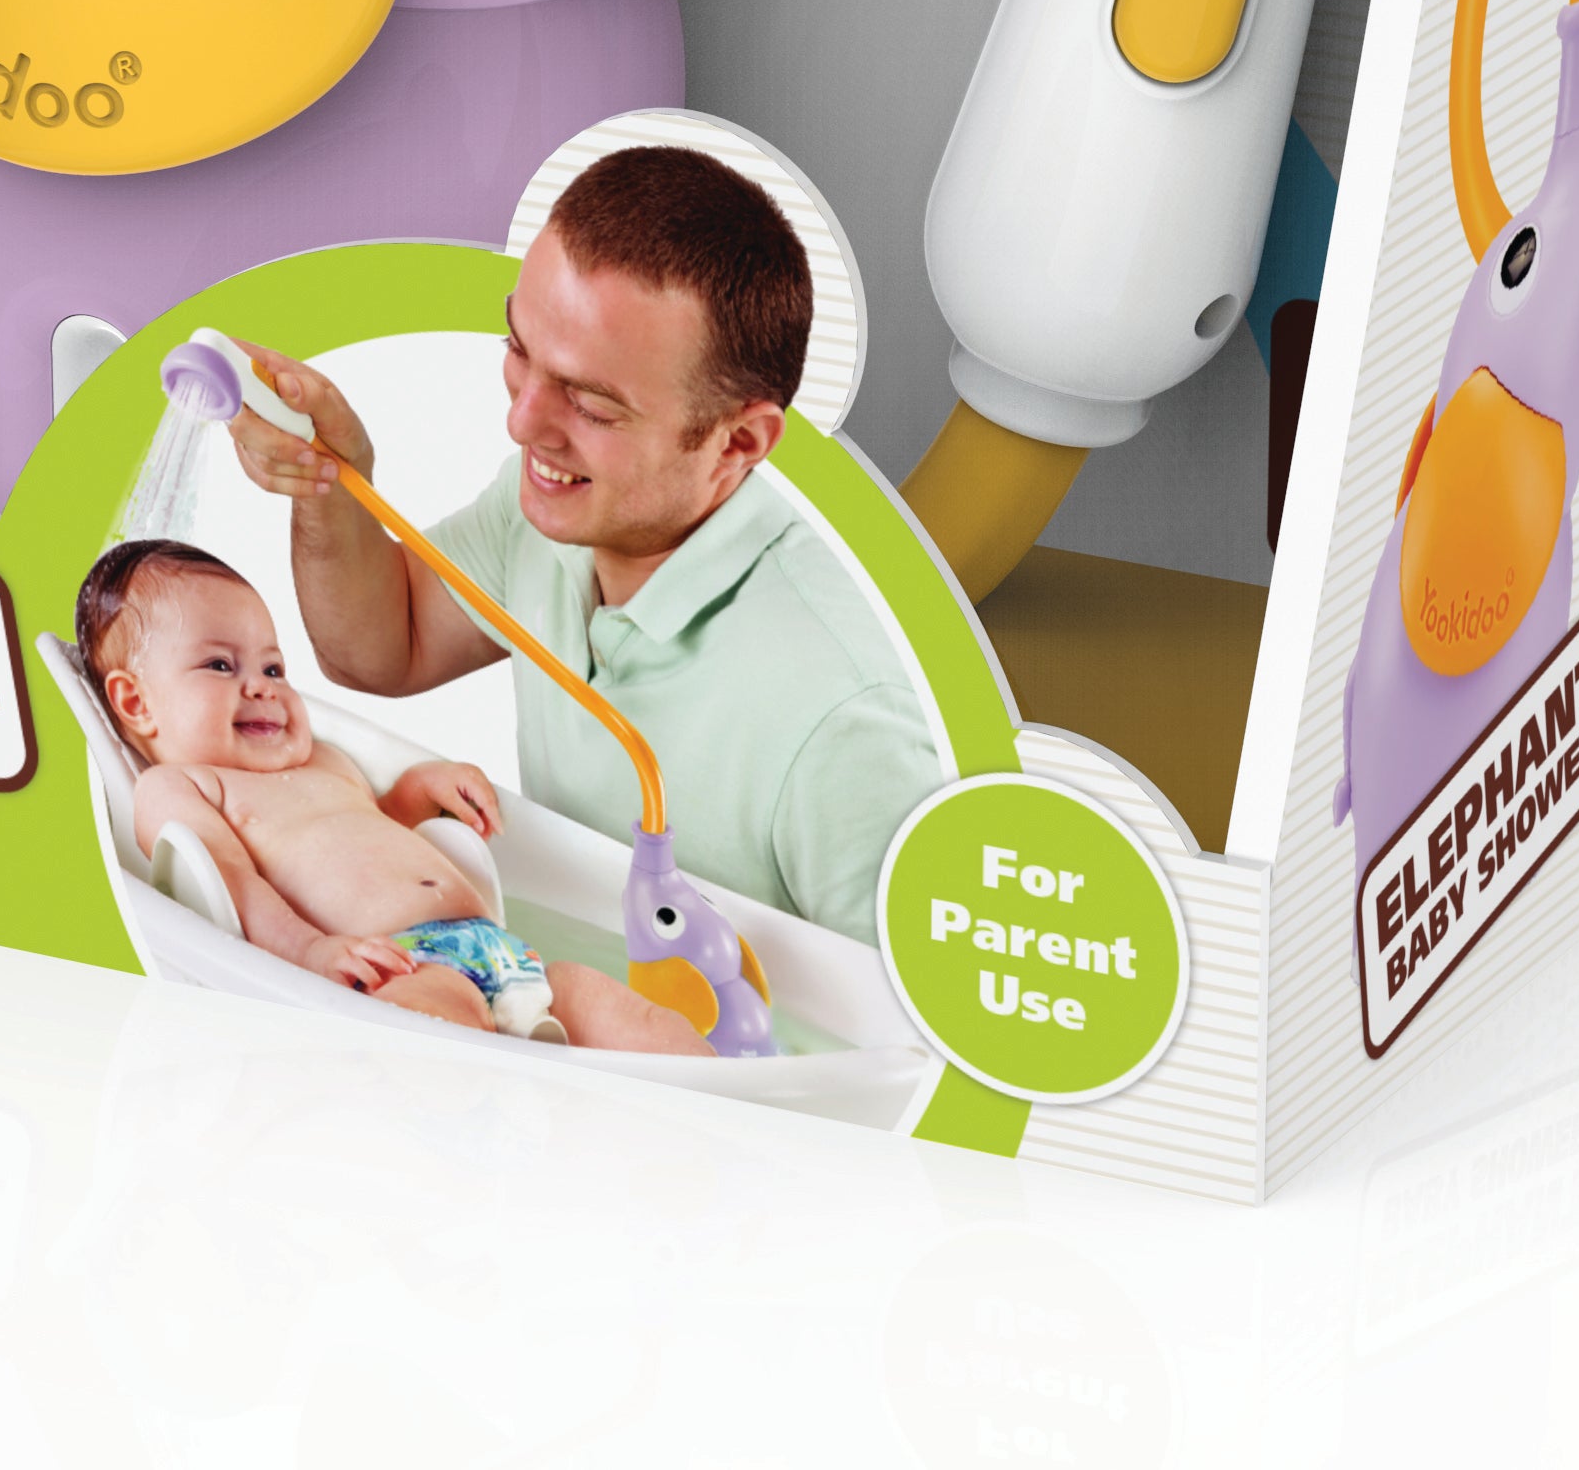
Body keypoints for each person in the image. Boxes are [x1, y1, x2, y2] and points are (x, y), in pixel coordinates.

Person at [230, 146, 947, 942]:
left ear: (737, 442)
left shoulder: (845, 721)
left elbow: (919, 1009)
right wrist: (330, 480)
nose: (521, 422)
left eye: (591, 405)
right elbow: (382, 647)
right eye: (517, 349)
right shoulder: (558, 513)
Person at [75, 536, 709, 1054]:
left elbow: (374, 831)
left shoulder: (323, 760)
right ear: (136, 702)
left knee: (632, 1020)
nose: (263, 687)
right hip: (396, 969)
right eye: (220, 665)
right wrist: (311, 951)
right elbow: (231, 888)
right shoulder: (179, 787)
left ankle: (731, 1104)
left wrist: (419, 790)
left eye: (273, 668)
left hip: (506, 955)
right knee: (445, 1049)